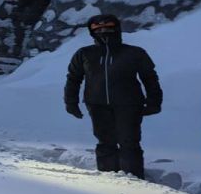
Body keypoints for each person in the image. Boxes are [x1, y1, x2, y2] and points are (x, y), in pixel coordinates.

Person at [64, 14, 162, 179]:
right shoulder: (84, 54)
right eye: (98, 29)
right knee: (105, 142)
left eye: (108, 28)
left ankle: (135, 181)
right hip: (96, 104)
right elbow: (73, 78)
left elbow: (150, 78)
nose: (104, 32)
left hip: (129, 104)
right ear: (92, 32)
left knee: (129, 142)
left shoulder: (134, 52)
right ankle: (108, 181)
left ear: (116, 29)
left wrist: (154, 102)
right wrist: (70, 102)